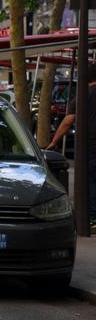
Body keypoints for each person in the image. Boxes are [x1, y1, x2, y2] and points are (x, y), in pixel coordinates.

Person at [47, 63, 96, 230]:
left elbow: (67, 121)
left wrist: (54, 142)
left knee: (91, 180)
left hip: (90, 145)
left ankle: (93, 218)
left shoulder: (83, 96)